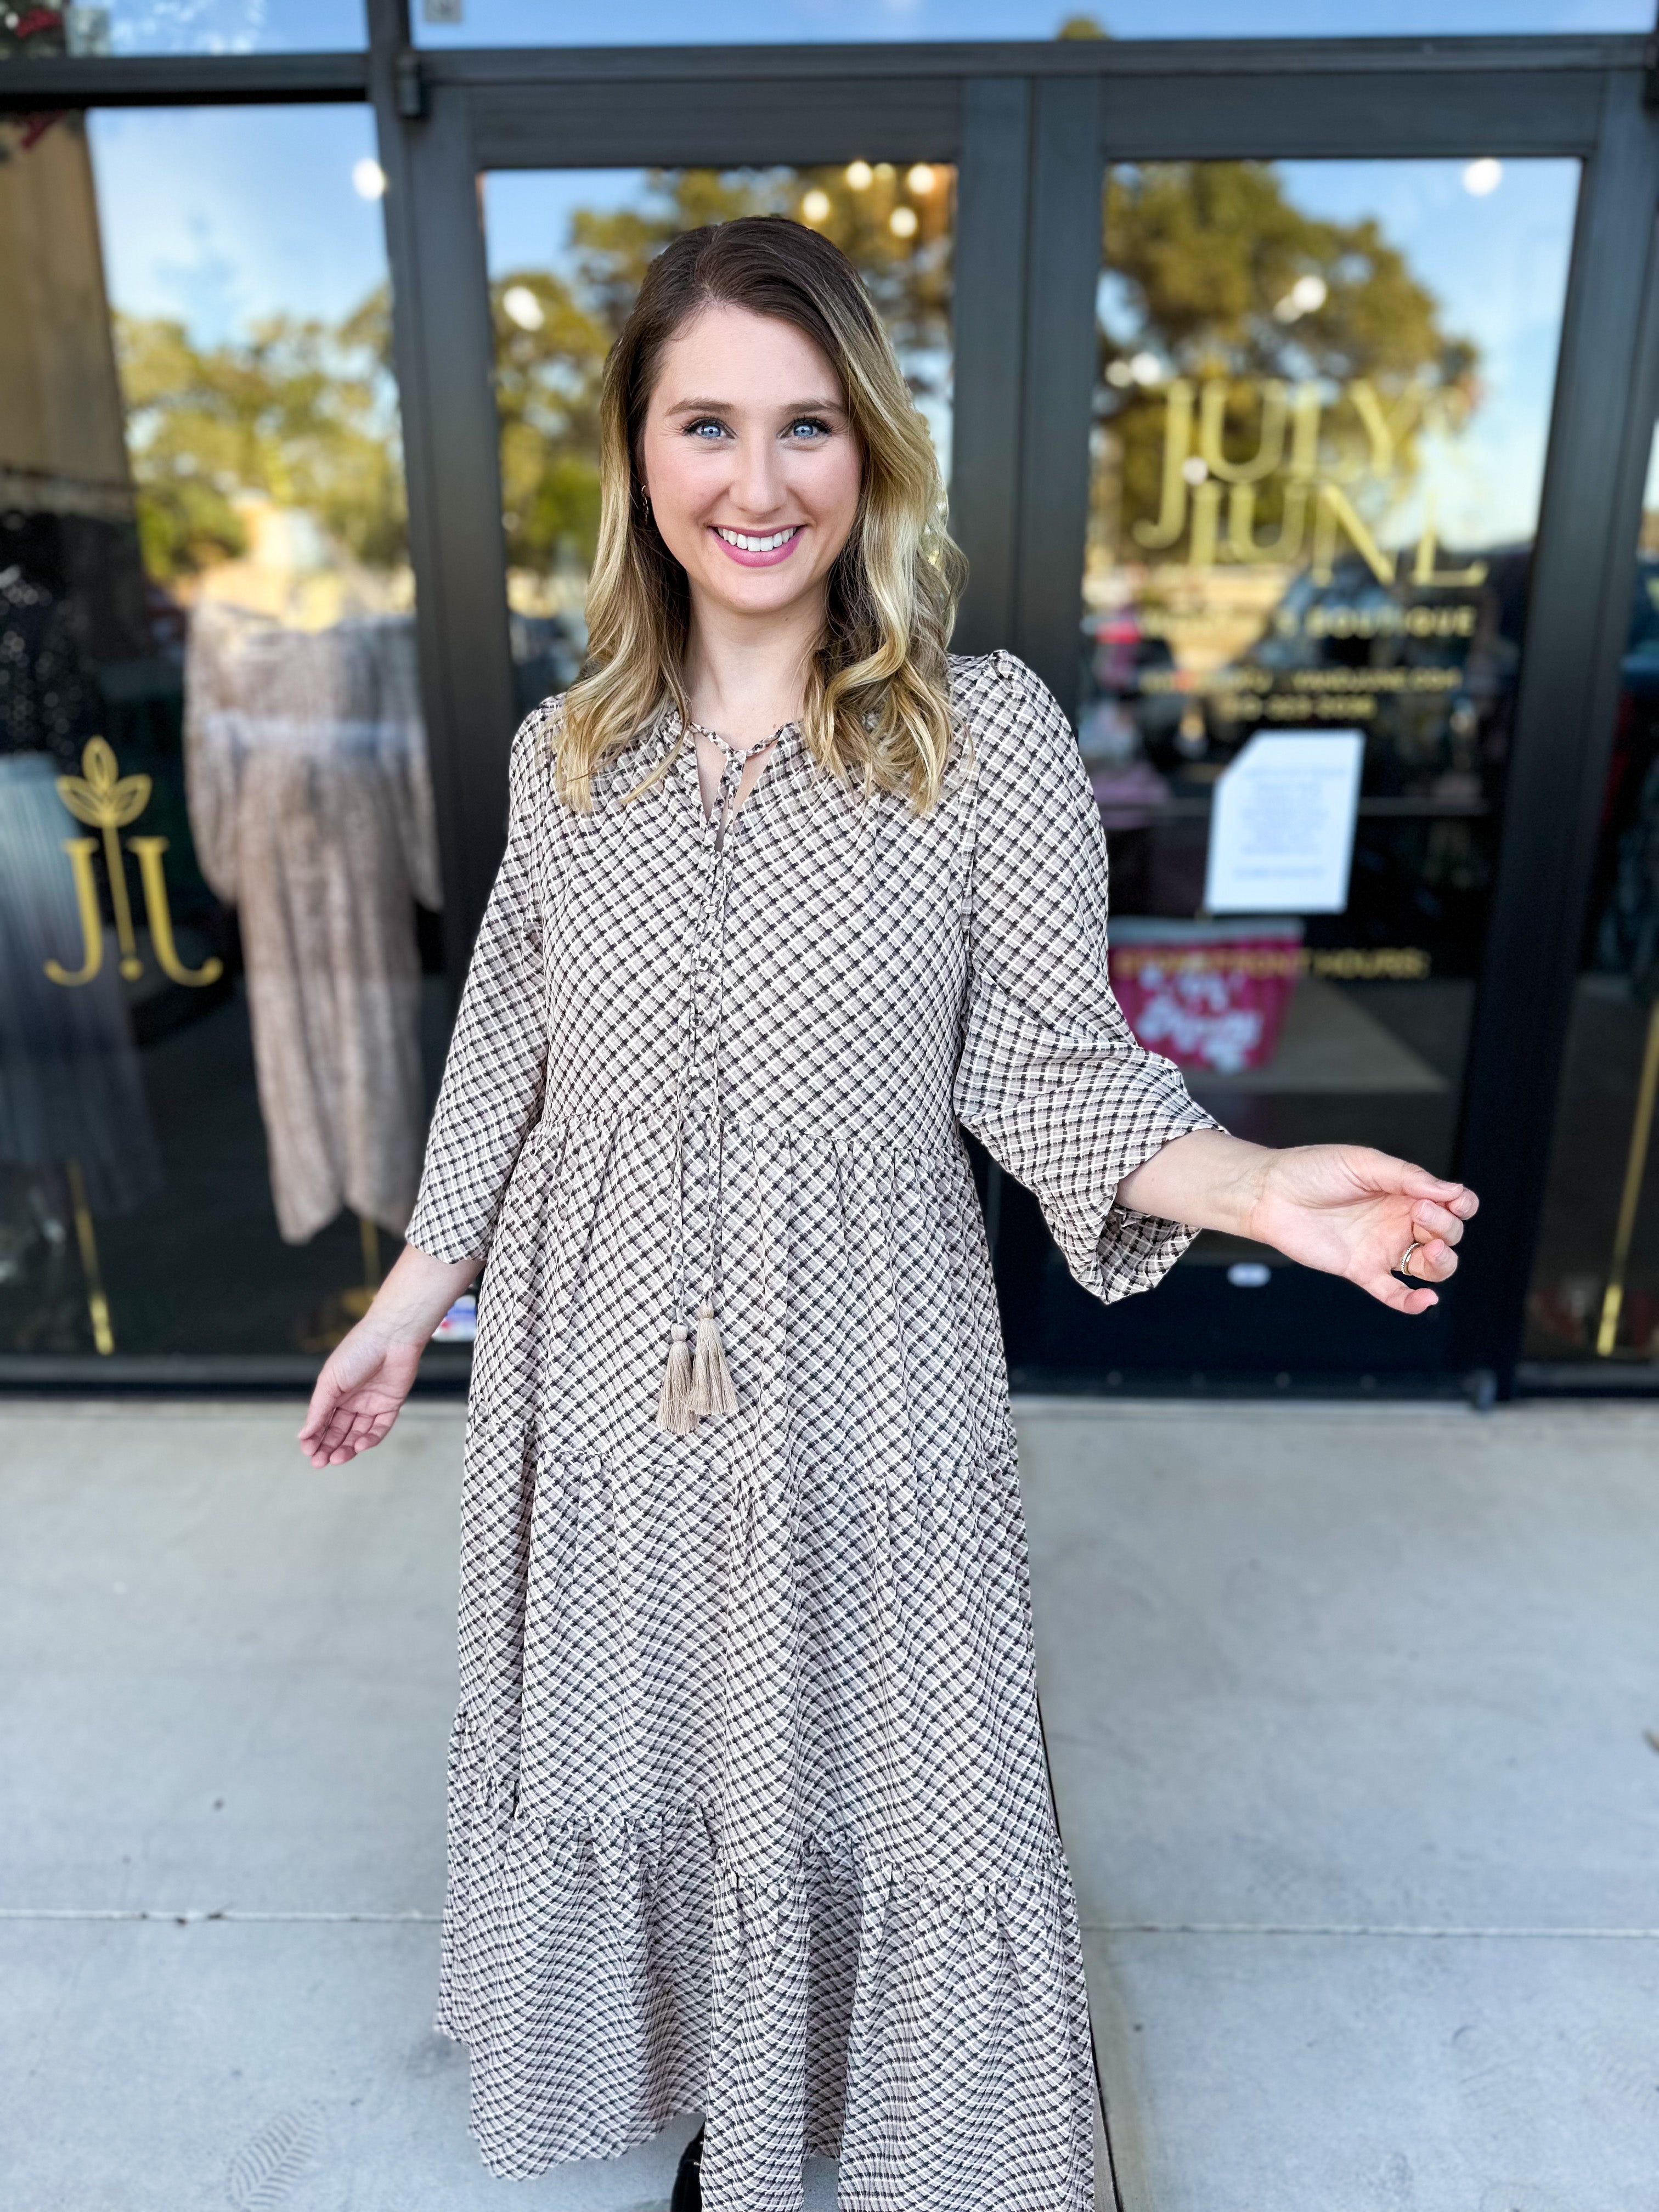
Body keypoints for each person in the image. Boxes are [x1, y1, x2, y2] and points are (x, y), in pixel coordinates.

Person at [298, 217, 1477, 2212]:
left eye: (808, 429)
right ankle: (713, 2101)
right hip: (594, 1365)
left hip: (860, 1351)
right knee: (651, 1731)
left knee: (887, 1758)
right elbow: (510, 1038)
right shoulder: (563, 755)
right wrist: (418, 1293)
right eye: (708, 427)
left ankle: (897, 2126)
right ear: (639, 456)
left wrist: (1259, 1183)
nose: (757, 485)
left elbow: (1046, 1065)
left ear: (871, 460)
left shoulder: (975, 734)